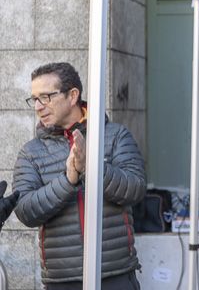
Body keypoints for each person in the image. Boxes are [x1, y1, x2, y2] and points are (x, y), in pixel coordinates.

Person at [12, 62, 146, 289]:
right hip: (62, 281)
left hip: (116, 275)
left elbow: (135, 189)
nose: (38, 106)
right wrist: (68, 181)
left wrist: (90, 169)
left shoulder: (115, 136)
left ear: (73, 95)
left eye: (46, 97)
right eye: (34, 99)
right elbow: (26, 211)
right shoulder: (31, 152)